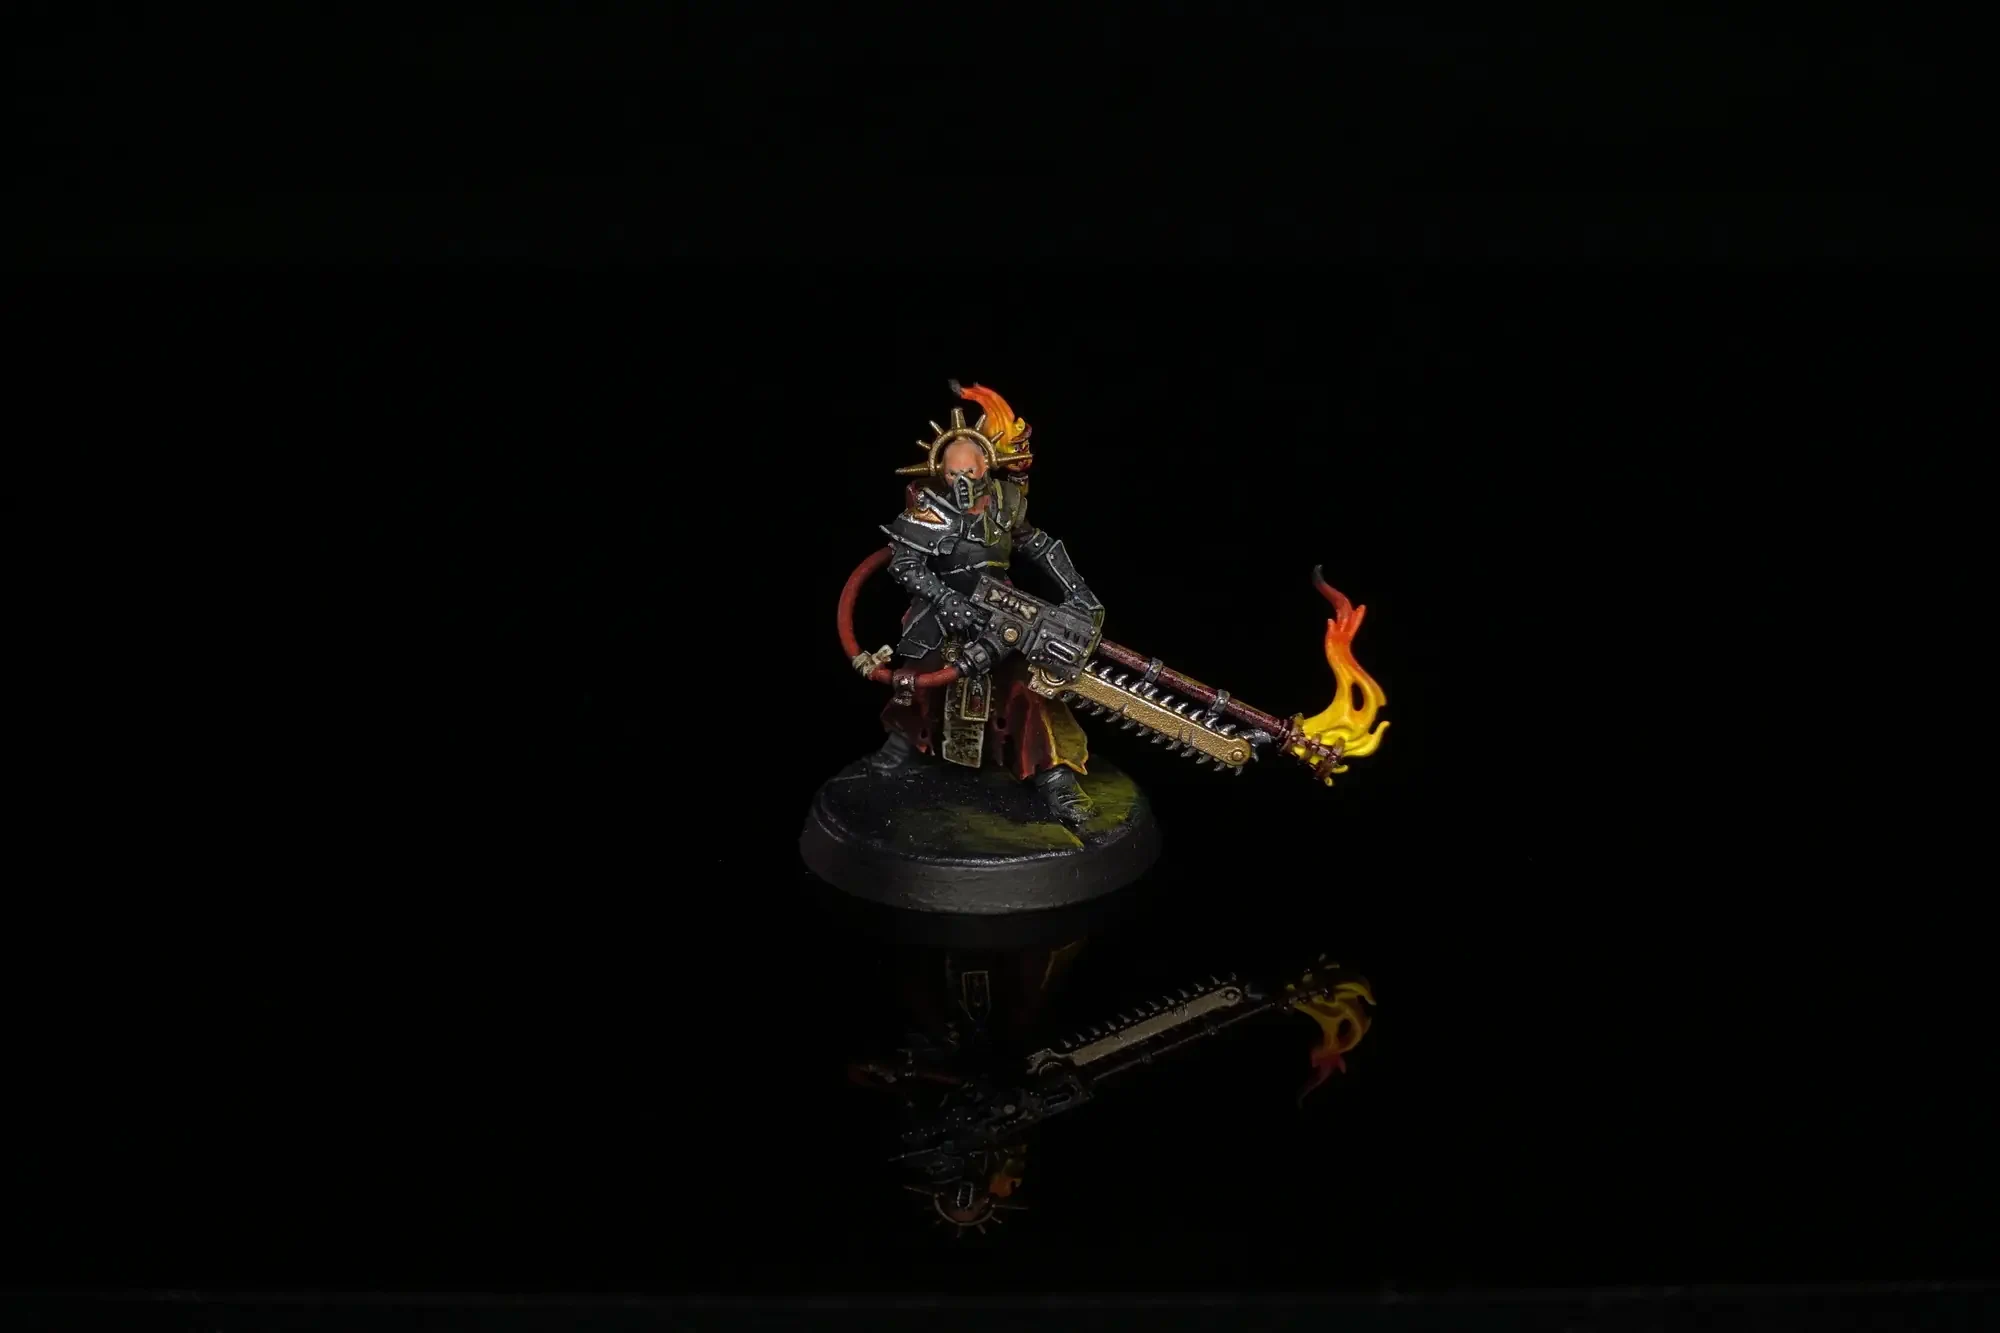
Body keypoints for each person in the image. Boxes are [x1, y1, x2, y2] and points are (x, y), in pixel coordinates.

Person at [869, 381, 1105, 827]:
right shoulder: (928, 508)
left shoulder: (1005, 501)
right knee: (921, 678)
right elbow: (904, 564)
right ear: (941, 472)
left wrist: (1078, 592)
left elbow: (1036, 545)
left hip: (1001, 606)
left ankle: (1054, 773)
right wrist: (945, 600)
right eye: (953, 474)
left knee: (1032, 685)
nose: (963, 482)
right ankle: (903, 744)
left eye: (970, 472)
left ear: (986, 467)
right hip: (939, 610)